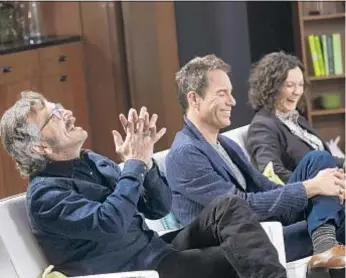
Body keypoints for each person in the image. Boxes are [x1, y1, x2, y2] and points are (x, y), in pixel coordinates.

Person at [0, 91, 288, 278]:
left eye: (59, 105)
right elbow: (109, 222)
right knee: (239, 261)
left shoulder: (92, 161)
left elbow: (158, 208)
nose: (67, 113)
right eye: (54, 115)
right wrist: (134, 164)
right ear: (40, 148)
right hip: (136, 270)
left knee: (227, 208)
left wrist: (146, 163)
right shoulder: (45, 196)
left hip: (158, 250)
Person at [165, 54, 346, 277]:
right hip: (246, 244)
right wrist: (312, 188)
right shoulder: (185, 153)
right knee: (341, 220)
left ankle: (324, 241)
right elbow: (239, 208)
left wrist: (325, 189)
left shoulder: (224, 143)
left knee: (317, 160)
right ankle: (325, 243)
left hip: (266, 222)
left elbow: (267, 187)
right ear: (194, 99)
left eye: (230, 93)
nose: (232, 101)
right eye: (222, 94)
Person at [246, 51, 345, 183]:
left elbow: (326, 159)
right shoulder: (262, 126)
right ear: (271, 87)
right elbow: (273, 173)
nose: (297, 92)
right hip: (312, 195)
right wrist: (318, 184)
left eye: (301, 85)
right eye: (290, 85)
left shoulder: (296, 119)